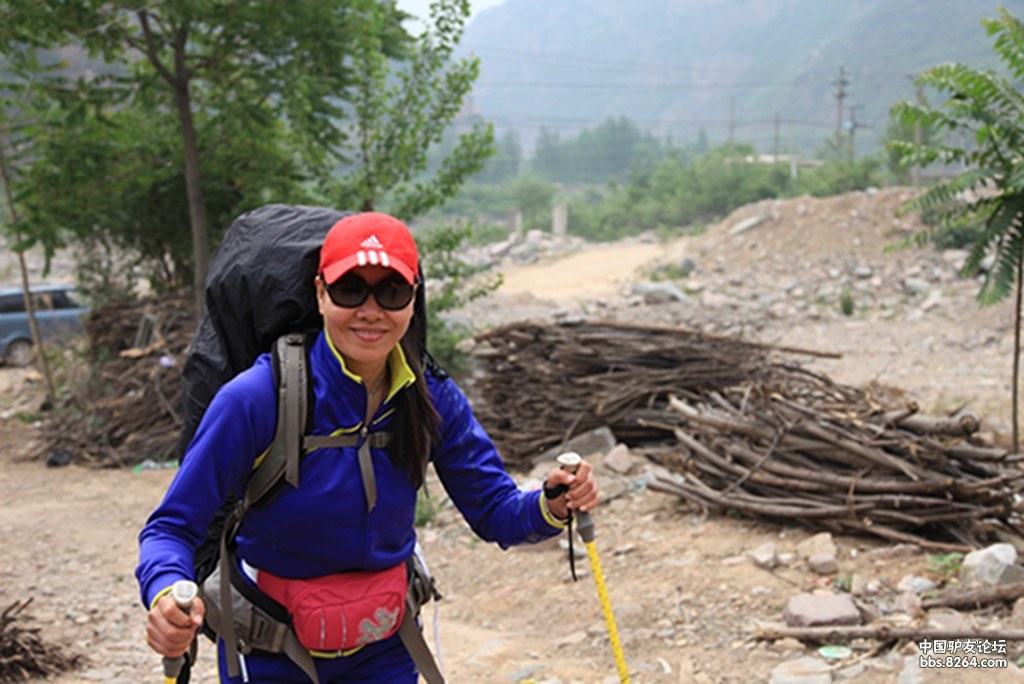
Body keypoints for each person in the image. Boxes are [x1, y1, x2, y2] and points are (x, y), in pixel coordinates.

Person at [136, 211, 600, 683]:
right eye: (350, 288)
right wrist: (167, 592)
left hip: (386, 650)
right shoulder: (257, 399)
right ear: (319, 293)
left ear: (412, 300)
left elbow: (496, 511)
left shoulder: (430, 397)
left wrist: (552, 503)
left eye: (391, 291)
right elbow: (171, 528)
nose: (371, 310)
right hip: (269, 653)